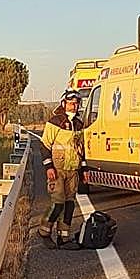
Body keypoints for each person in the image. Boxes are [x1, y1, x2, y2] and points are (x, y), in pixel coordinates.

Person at [38, 89, 85, 248]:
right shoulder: (55, 122)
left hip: (73, 170)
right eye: (71, 103)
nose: (74, 106)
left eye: (76, 103)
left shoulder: (78, 124)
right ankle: (44, 232)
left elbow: (81, 148)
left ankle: (63, 237)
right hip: (57, 170)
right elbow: (44, 145)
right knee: (58, 203)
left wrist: (83, 169)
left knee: (70, 204)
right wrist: (48, 166)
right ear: (64, 104)